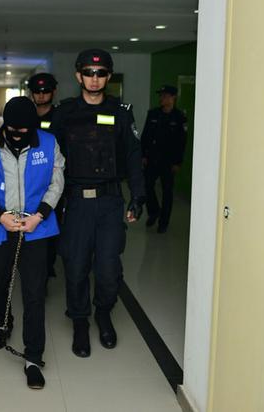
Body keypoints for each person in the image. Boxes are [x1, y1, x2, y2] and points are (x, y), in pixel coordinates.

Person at [51, 49, 145, 358]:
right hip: (76, 203)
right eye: (89, 73)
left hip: (109, 202)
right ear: (78, 76)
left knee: (108, 267)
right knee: (76, 266)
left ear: (108, 76)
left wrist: (138, 196)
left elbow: (133, 156)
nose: (94, 79)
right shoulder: (64, 113)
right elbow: (51, 160)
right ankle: (80, 321)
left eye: (101, 73)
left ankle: (104, 313)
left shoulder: (121, 112)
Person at [0, 96, 65, 389]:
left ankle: (33, 357)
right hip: (1, 226)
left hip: (36, 227)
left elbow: (57, 182)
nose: (17, 134)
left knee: (34, 293)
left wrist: (40, 215)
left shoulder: (48, 143)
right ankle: (3, 323)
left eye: (24, 130)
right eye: (12, 129)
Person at [27, 72, 61, 278]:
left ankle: (48, 265)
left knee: (52, 224)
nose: (41, 95)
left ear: (53, 91)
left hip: (54, 182)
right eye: (37, 91)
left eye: (45, 91)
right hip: (30, 182)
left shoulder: (61, 117)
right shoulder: (26, 115)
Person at [140, 85, 188, 233]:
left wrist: (178, 162)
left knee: (167, 192)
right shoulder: (153, 114)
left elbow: (182, 142)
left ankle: (163, 222)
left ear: (173, 97)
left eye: (165, 96)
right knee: (147, 186)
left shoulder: (179, 117)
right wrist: (143, 155)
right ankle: (154, 211)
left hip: (169, 161)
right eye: (161, 95)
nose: (162, 98)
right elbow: (145, 136)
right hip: (152, 158)